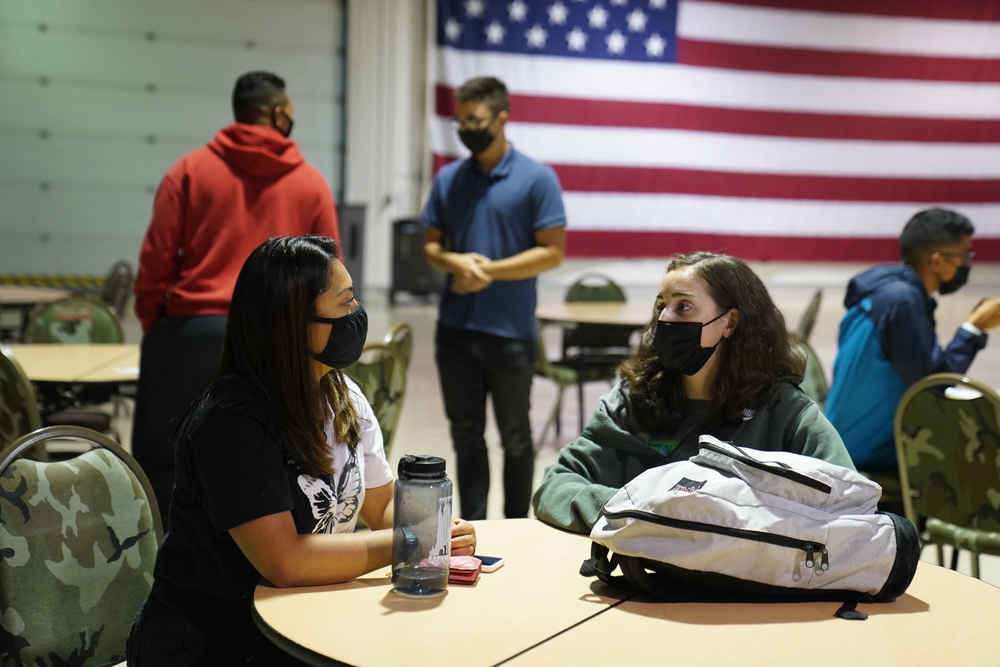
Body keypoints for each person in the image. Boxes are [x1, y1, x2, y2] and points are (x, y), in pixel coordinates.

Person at [126, 235, 476, 665]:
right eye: (344, 302)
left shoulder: (342, 394)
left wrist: (436, 530)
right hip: (210, 638)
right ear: (294, 323)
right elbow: (286, 561)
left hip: (300, 620)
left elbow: (381, 507)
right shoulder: (231, 422)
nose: (357, 314)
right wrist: (410, 542)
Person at [132, 71, 341, 521]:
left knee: (165, 463)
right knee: (275, 456)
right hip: (277, 340)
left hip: (190, 332)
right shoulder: (311, 184)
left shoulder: (187, 172)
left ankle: (169, 565)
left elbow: (155, 262)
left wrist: (160, 329)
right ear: (278, 113)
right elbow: (329, 279)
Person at [532, 252, 854, 535]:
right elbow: (555, 487)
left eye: (683, 306)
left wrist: (727, 526)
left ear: (729, 322)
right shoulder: (632, 400)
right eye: (661, 306)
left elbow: (850, 506)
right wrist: (640, 512)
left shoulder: (786, 413)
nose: (665, 318)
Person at [421, 76, 566, 520]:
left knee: (516, 439)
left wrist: (487, 271)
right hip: (456, 332)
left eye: (474, 119)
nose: (465, 127)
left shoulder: (536, 178)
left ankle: (518, 527)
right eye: (459, 120)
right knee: (466, 437)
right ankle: (474, 526)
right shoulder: (449, 179)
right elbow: (431, 245)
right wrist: (456, 263)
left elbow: (553, 251)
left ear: (501, 119)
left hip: (510, 334)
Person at [825, 208, 1000, 471]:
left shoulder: (881, 293)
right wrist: (973, 329)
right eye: (965, 256)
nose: (968, 263)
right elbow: (932, 387)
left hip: (842, 442)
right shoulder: (902, 301)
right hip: (866, 456)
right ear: (937, 261)